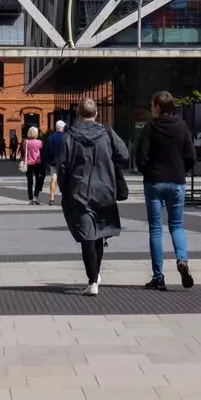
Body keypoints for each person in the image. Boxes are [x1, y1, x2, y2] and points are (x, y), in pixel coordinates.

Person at [55, 98, 130, 296]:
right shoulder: (107, 133)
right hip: (104, 190)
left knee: (88, 234)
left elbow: (61, 167)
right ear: (96, 113)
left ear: (78, 114)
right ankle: (95, 276)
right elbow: (124, 155)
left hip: (79, 191)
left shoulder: (70, 136)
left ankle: (92, 280)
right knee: (98, 234)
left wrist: (64, 189)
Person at [135, 92, 197, 291]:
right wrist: (180, 170)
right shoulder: (182, 127)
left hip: (154, 182)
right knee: (177, 225)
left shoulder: (150, 128)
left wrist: (148, 171)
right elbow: (191, 156)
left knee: (155, 229)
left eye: (152, 106)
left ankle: (158, 276)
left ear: (158, 108)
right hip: (176, 182)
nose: (151, 109)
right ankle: (182, 259)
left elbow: (141, 157)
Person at [41, 120, 68, 202]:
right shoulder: (66, 136)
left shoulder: (51, 137)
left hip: (53, 162)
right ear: (62, 127)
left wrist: (47, 162)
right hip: (63, 162)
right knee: (65, 180)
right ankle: (64, 197)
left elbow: (48, 151)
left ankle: (52, 198)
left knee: (53, 178)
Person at [23, 126, 45, 203]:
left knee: (30, 181)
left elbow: (24, 150)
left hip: (28, 163)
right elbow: (41, 150)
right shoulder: (39, 142)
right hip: (37, 163)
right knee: (38, 179)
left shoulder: (26, 142)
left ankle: (30, 198)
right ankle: (36, 196)